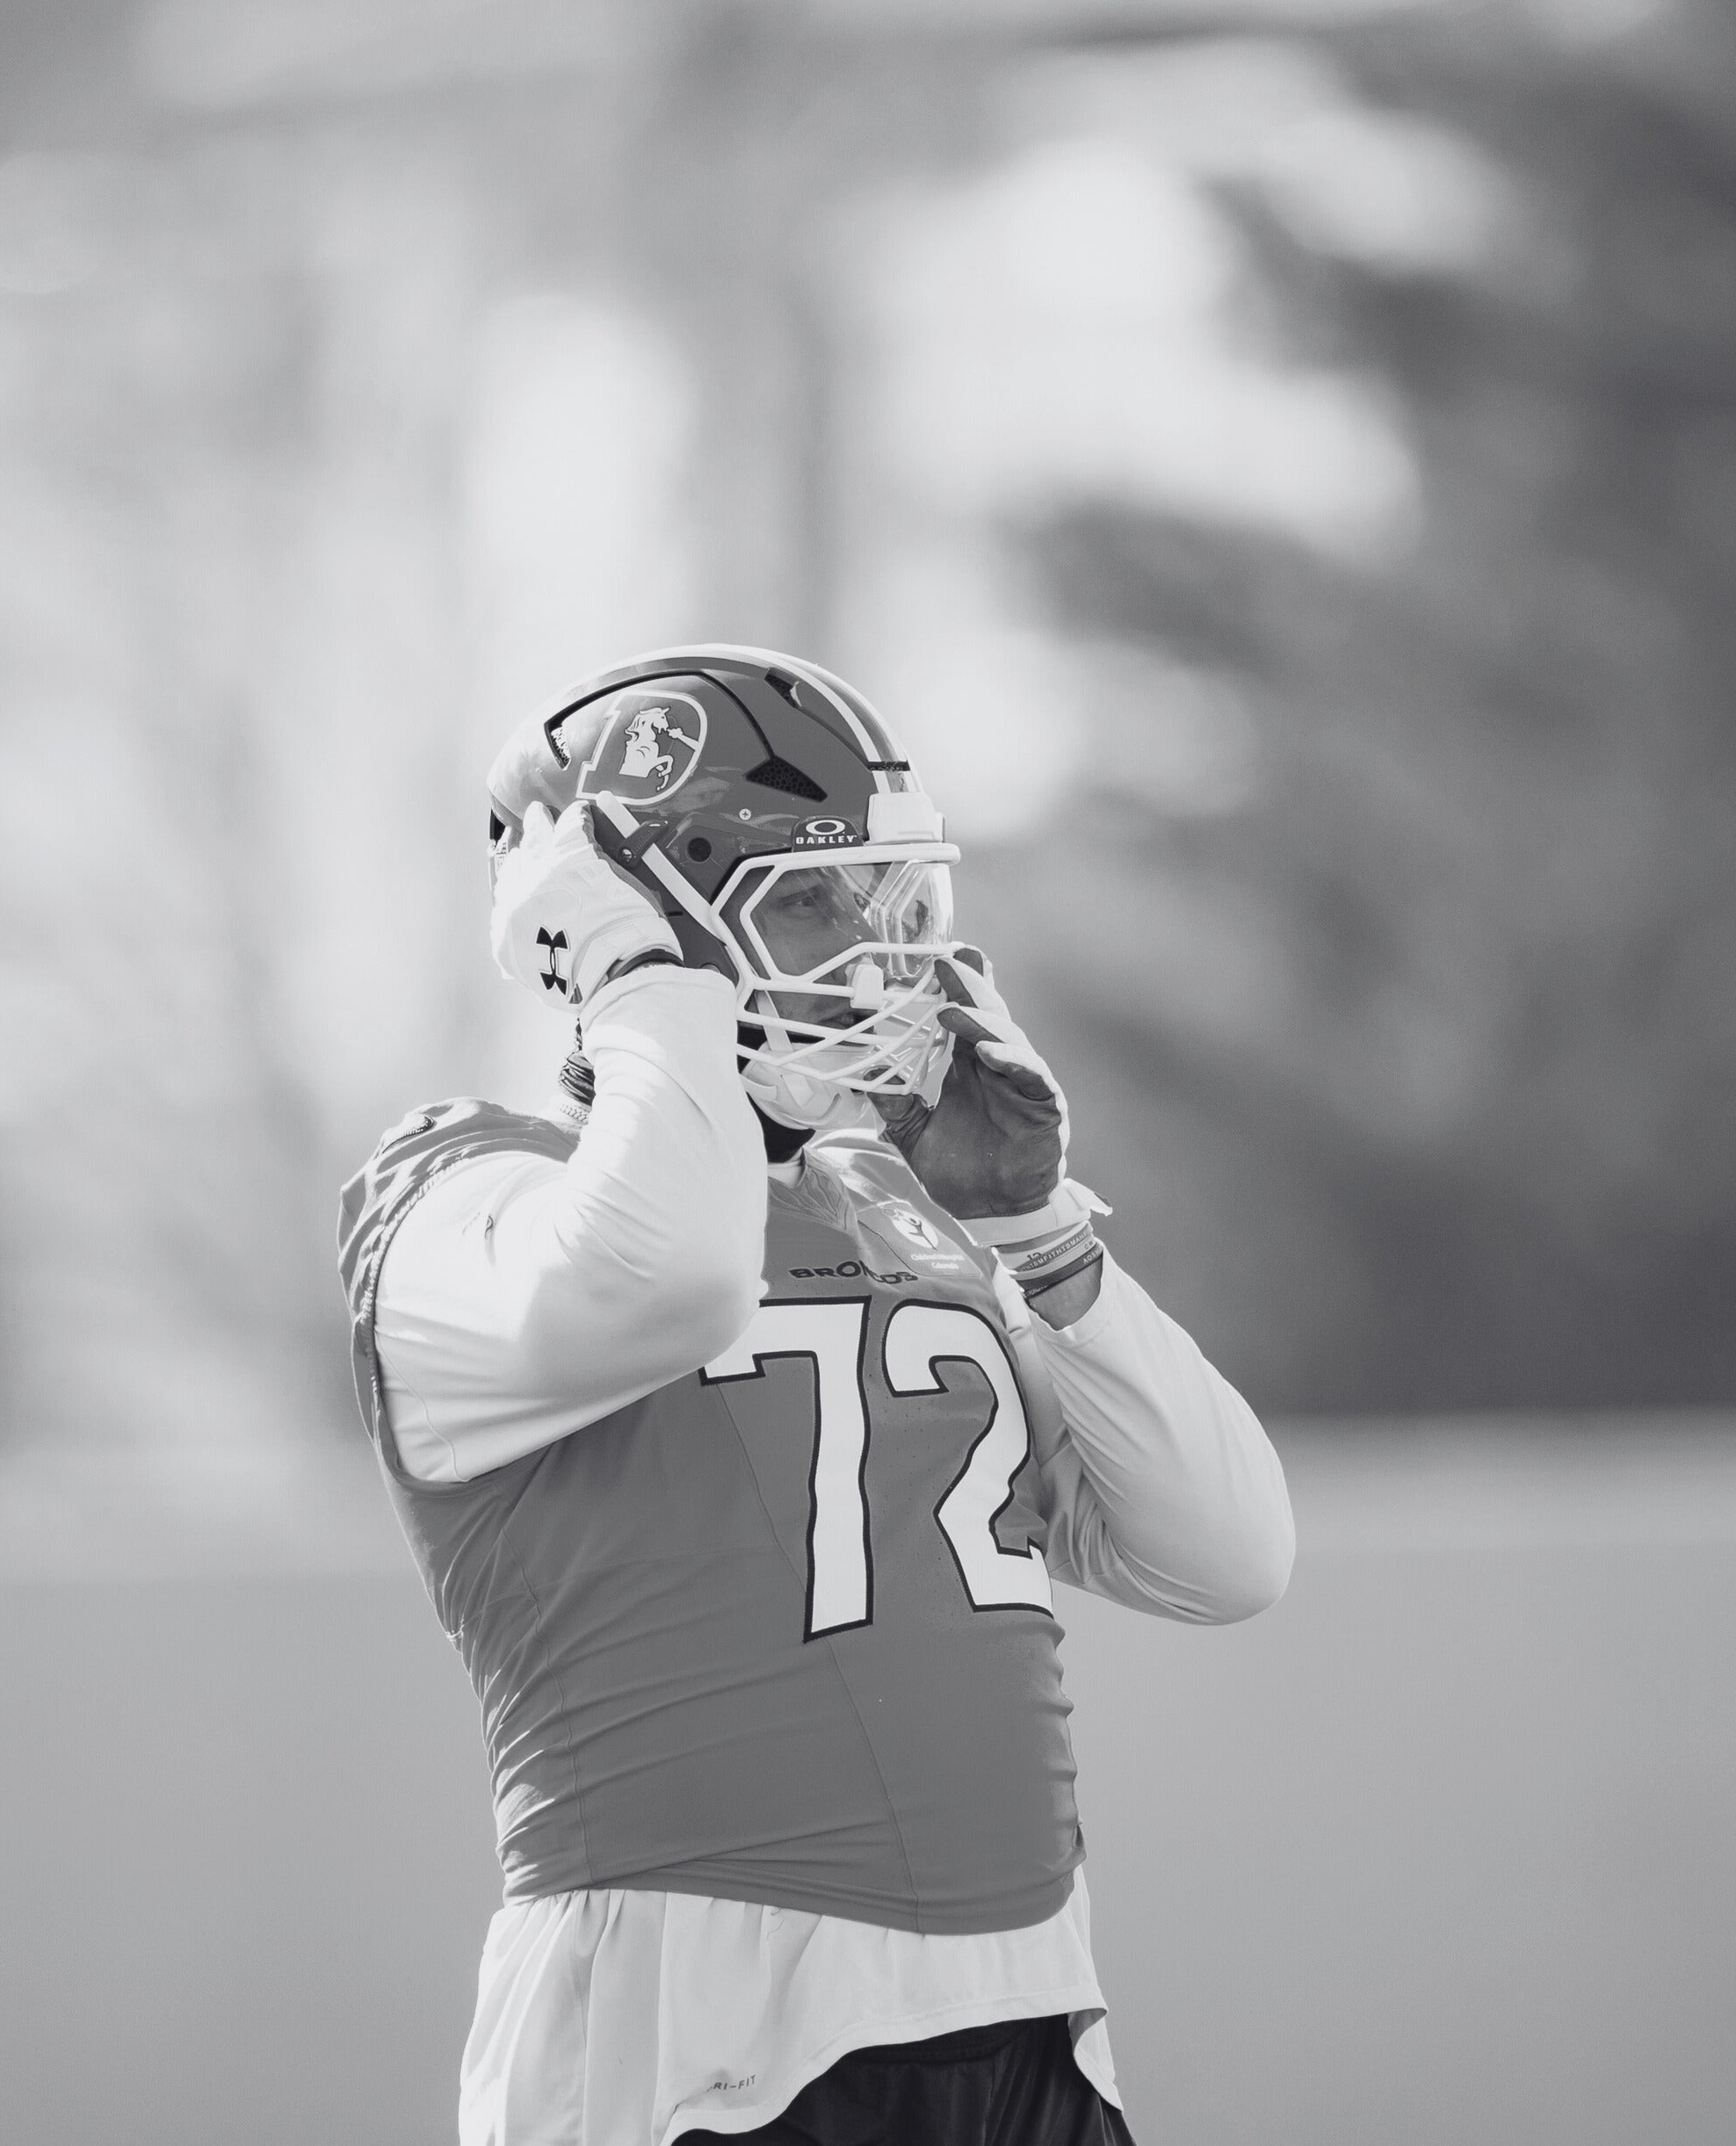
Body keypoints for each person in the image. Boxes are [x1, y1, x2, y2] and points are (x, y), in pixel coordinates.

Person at [336, 647, 1295, 2146]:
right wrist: (645, 979)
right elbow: (665, 1274)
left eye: (881, 907)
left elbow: (1229, 1553)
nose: (870, 958)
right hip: (696, 2018)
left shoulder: (899, 1209)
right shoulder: (463, 1183)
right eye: (807, 902)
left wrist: (1040, 1234)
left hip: (1019, 2008)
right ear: (607, 915)